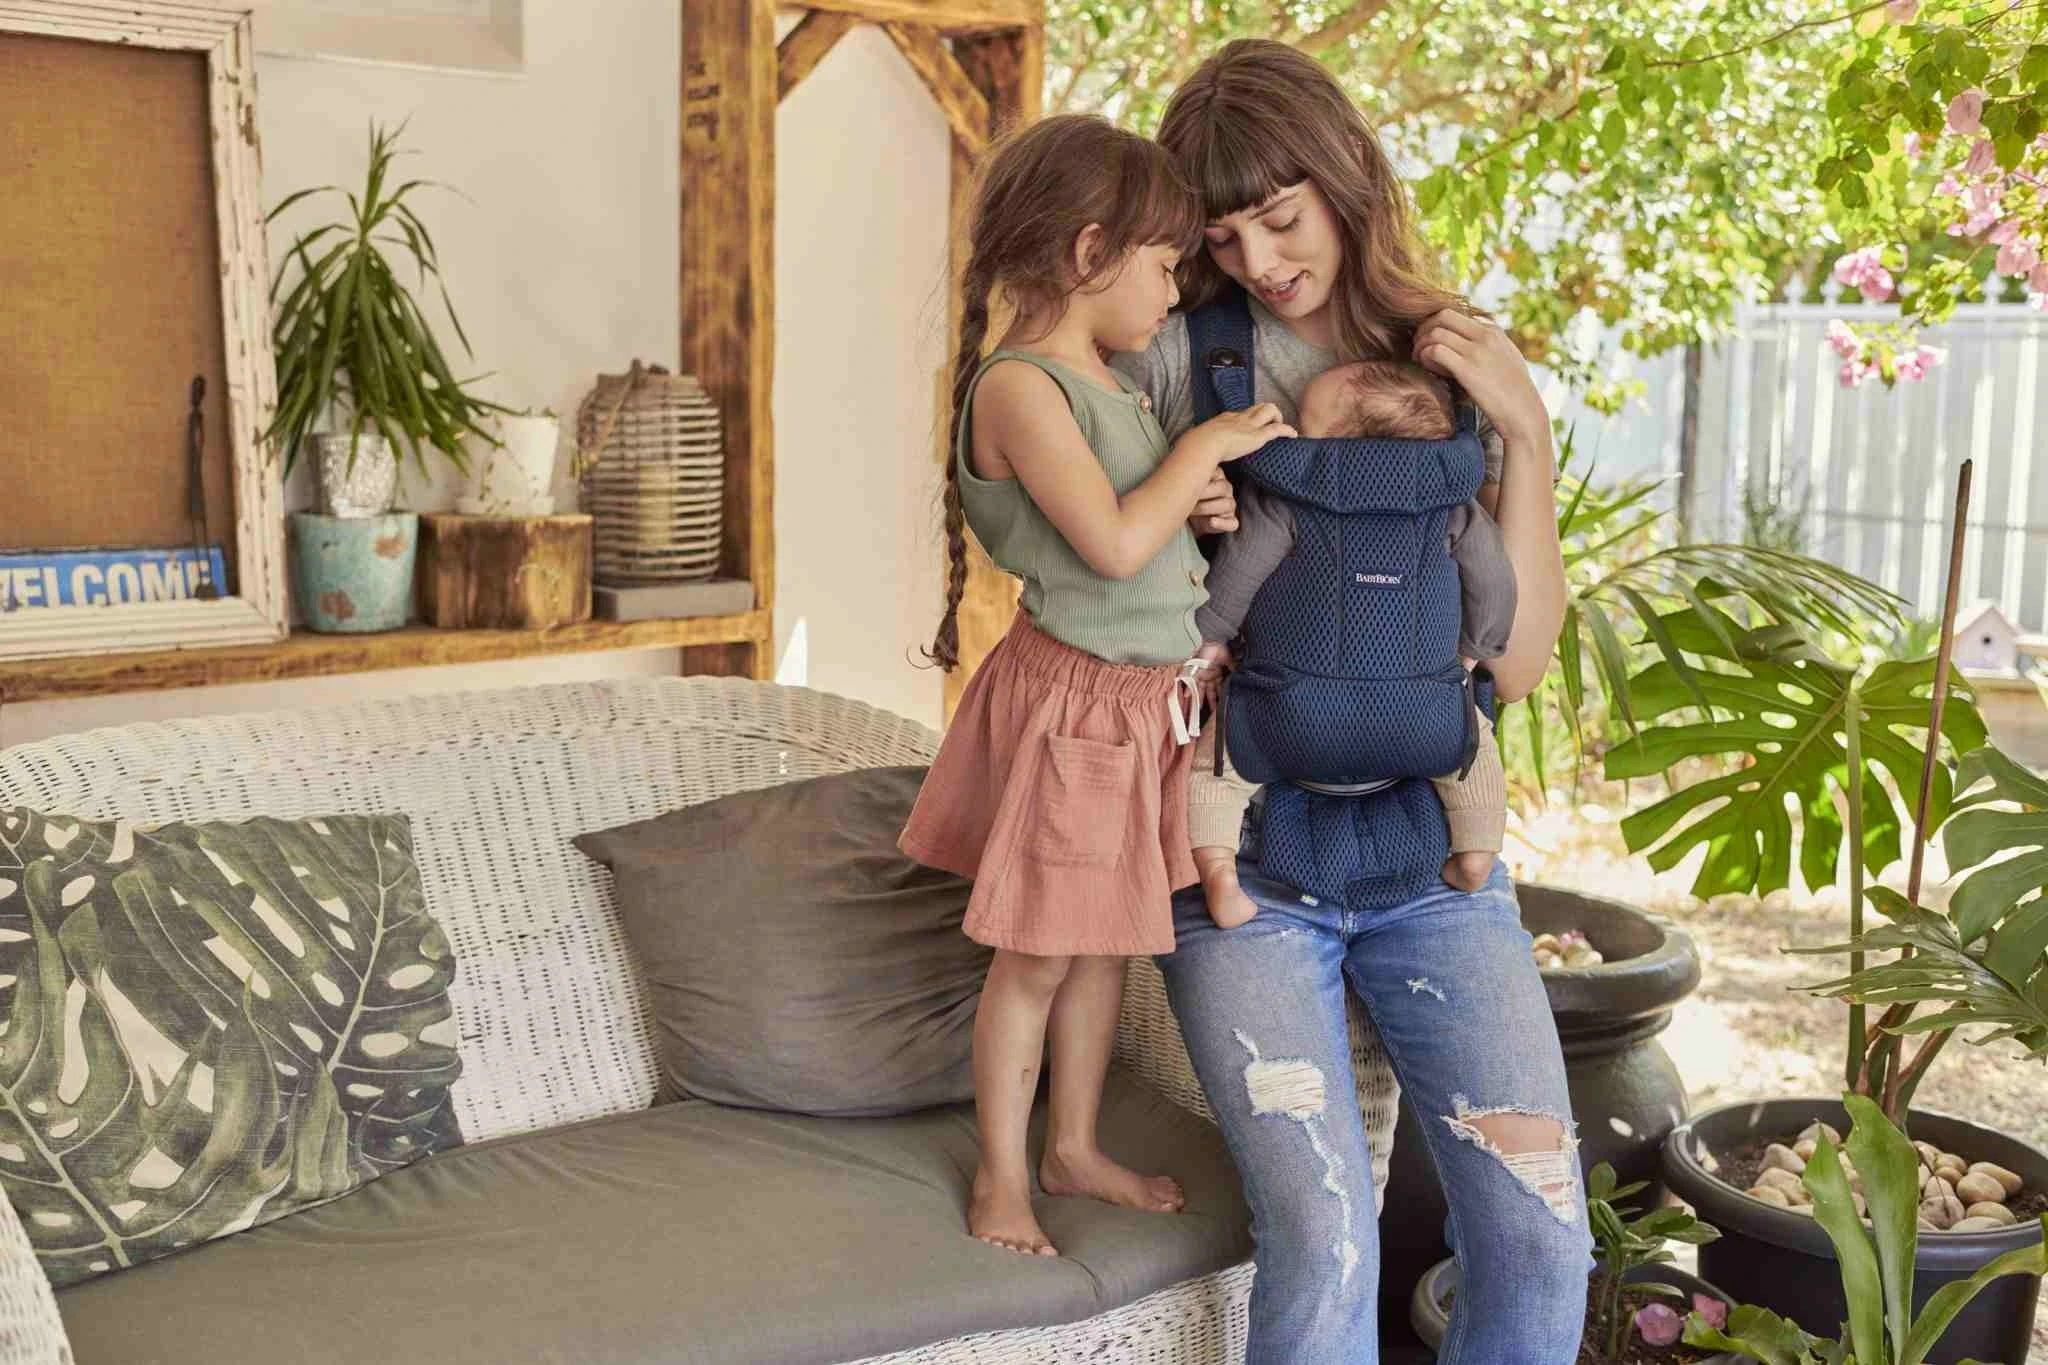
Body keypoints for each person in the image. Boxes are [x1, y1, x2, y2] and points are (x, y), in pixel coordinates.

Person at [1112, 39, 1590, 1364]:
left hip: (1436, 859)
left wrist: (1525, 434)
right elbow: (1108, 580)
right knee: (1323, 1239)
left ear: (1345, 179)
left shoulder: (1442, 359)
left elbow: (1514, 663)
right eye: (1224, 236)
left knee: (1540, 1232)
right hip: (1243, 864)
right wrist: (1180, 520)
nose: (1259, 261)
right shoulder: (1179, 357)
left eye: (1281, 218)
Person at [896, 113, 1296, 1258]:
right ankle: (1002, 1177)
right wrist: (1199, 453)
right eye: (1165, 265)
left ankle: (1070, 1145)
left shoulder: (1107, 386)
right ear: (1088, 254)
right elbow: (1112, 548)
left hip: (1136, 712)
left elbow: (1141, 526)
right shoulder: (1019, 388)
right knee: (1035, 957)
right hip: (1076, 714)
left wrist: (1194, 502)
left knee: (1100, 945)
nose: (1175, 293)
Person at [1184, 357, 1516, 930]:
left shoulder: (1284, 499)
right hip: (1421, 712)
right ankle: (1475, 856)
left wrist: (1209, 640)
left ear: (1345, 444)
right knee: (1472, 756)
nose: (1293, 429)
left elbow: (1237, 573)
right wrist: (1472, 650)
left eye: (1305, 421)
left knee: (1218, 769)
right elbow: (1494, 582)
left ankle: (1219, 873)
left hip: (1290, 709)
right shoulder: (1455, 509)